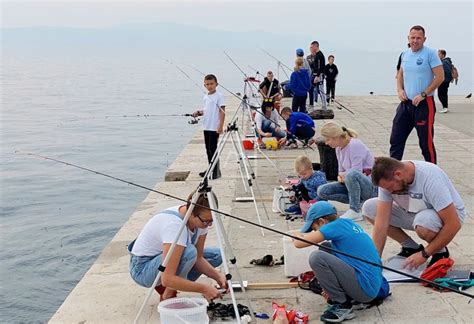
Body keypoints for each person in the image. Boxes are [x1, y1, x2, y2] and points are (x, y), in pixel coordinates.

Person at [362, 157, 465, 269]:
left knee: (423, 222)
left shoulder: (430, 178)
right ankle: (411, 248)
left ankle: (440, 253)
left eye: (390, 188)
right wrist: (375, 262)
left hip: (447, 215)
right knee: (370, 208)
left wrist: (424, 254)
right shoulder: (387, 182)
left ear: (398, 174)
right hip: (413, 211)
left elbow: (454, 223)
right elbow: (381, 222)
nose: (390, 192)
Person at [129, 190, 227, 301]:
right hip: (143, 269)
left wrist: (218, 276)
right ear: (192, 213)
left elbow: (199, 258)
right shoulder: (174, 226)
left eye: (212, 220)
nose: (209, 225)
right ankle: (168, 295)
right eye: (206, 221)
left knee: (217, 255)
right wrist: (204, 289)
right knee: (189, 253)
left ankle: (178, 283)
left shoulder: (201, 221)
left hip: (164, 260)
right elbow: (167, 278)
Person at [293, 201, 382, 323]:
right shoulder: (347, 223)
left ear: (322, 222)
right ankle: (348, 297)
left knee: (317, 257)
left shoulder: (334, 226)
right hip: (370, 285)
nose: (315, 232)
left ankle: (342, 305)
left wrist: (296, 235)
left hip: (365, 289)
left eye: (314, 229)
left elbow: (299, 243)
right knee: (326, 247)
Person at [390, 25, 444, 164]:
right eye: (412, 37)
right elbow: (400, 74)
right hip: (405, 104)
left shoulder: (430, 54)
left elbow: (440, 77)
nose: (415, 40)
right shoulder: (405, 54)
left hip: (424, 105)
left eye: (418, 38)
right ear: (408, 38)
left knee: (426, 144)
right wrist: (400, 90)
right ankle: (392, 173)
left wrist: (424, 94)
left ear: (424, 39)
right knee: (396, 139)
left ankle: (433, 171)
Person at [317, 122, 378, 221]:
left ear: (336, 137)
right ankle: (358, 202)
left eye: (328, 140)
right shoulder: (338, 148)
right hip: (350, 183)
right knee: (322, 190)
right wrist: (341, 176)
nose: (326, 143)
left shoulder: (355, 145)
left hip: (371, 186)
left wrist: (343, 176)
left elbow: (356, 171)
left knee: (351, 174)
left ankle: (355, 210)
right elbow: (340, 172)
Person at [192, 74, 226, 179]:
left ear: (216, 84)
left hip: (214, 127)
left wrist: (220, 126)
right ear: (204, 85)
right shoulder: (206, 96)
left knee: (213, 150)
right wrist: (199, 112)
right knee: (208, 150)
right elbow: (207, 111)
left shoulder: (219, 96)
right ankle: (210, 169)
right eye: (207, 84)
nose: (210, 86)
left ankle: (216, 172)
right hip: (206, 126)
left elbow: (222, 112)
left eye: (211, 84)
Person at [308, 41, 326, 109]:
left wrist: (318, 76)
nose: (311, 48)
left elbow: (320, 67)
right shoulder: (316, 55)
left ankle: (324, 106)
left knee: (321, 90)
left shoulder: (319, 55)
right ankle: (311, 104)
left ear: (316, 46)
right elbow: (315, 65)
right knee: (310, 88)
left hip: (319, 75)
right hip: (315, 74)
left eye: (312, 47)